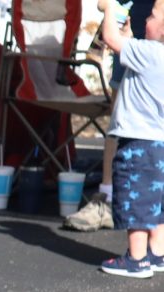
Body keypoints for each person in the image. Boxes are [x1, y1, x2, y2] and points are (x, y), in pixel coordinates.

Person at [66, 0, 154, 231]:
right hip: (136, 24)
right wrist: (110, 13)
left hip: (154, 24)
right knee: (120, 119)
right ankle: (107, 199)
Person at [97, 0, 164, 277]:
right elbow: (126, 45)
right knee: (156, 198)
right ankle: (158, 252)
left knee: (135, 197)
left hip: (137, 141)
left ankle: (136, 259)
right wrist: (128, 35)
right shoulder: (152, 53)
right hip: (159, 143)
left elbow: (110, 39)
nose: (145, 18)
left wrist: (108, 9)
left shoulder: (148, 52)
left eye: (152, 16)